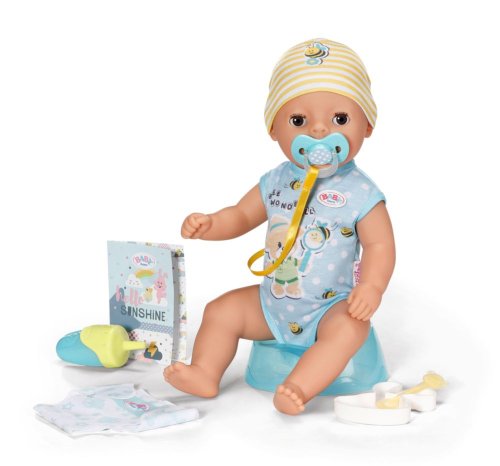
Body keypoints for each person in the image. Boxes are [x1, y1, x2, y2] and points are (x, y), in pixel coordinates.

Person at [164, 39, 396, 415]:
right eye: (299, 121)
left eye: (339, 119)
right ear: (273, 129)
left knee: (350, 330)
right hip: (272, 302)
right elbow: (241, 215)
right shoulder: (276, 181)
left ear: (367, 125)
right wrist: (212, 223)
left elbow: (380, 246)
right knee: (221, 311)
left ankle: (298, 387)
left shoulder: (362, 192)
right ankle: (205, 372)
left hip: (329, 307)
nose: (319, 130)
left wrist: (371, 286)